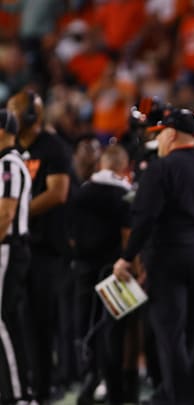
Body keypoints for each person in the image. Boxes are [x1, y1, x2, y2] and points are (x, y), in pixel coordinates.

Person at [113, 108, 194, 405]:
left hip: (169, 259)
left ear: (170, 134)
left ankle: (178, 397)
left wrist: (127, 257)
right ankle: (186, 394)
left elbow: (144, 218)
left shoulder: (160, 168)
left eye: (160, 135)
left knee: (169, 335)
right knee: (191, 334)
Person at [7, 90, 72, 402]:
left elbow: (59, 192)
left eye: (15, 113)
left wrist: (17, 209)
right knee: (15, 319)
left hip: (46, 247)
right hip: (20, 244)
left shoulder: (53, 146)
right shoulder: (12, 148)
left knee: (42, 319)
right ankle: (23, 383)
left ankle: (44, 387)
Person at [70, 144, 133, 405]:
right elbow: (128, 234)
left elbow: (71, 234)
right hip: (115, 271)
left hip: (84, 268)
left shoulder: (82, 192)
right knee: (113, 330)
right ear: (122, 166)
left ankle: (88, 378)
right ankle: (113, 387)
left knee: (85, 326)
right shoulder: (125, 194)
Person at [0, 109, 34, 403]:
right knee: (7, 320)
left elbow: (6, 212)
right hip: (9, 248)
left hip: (8, 247)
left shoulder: (9, 163)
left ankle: (19, 394)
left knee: (3, 321)